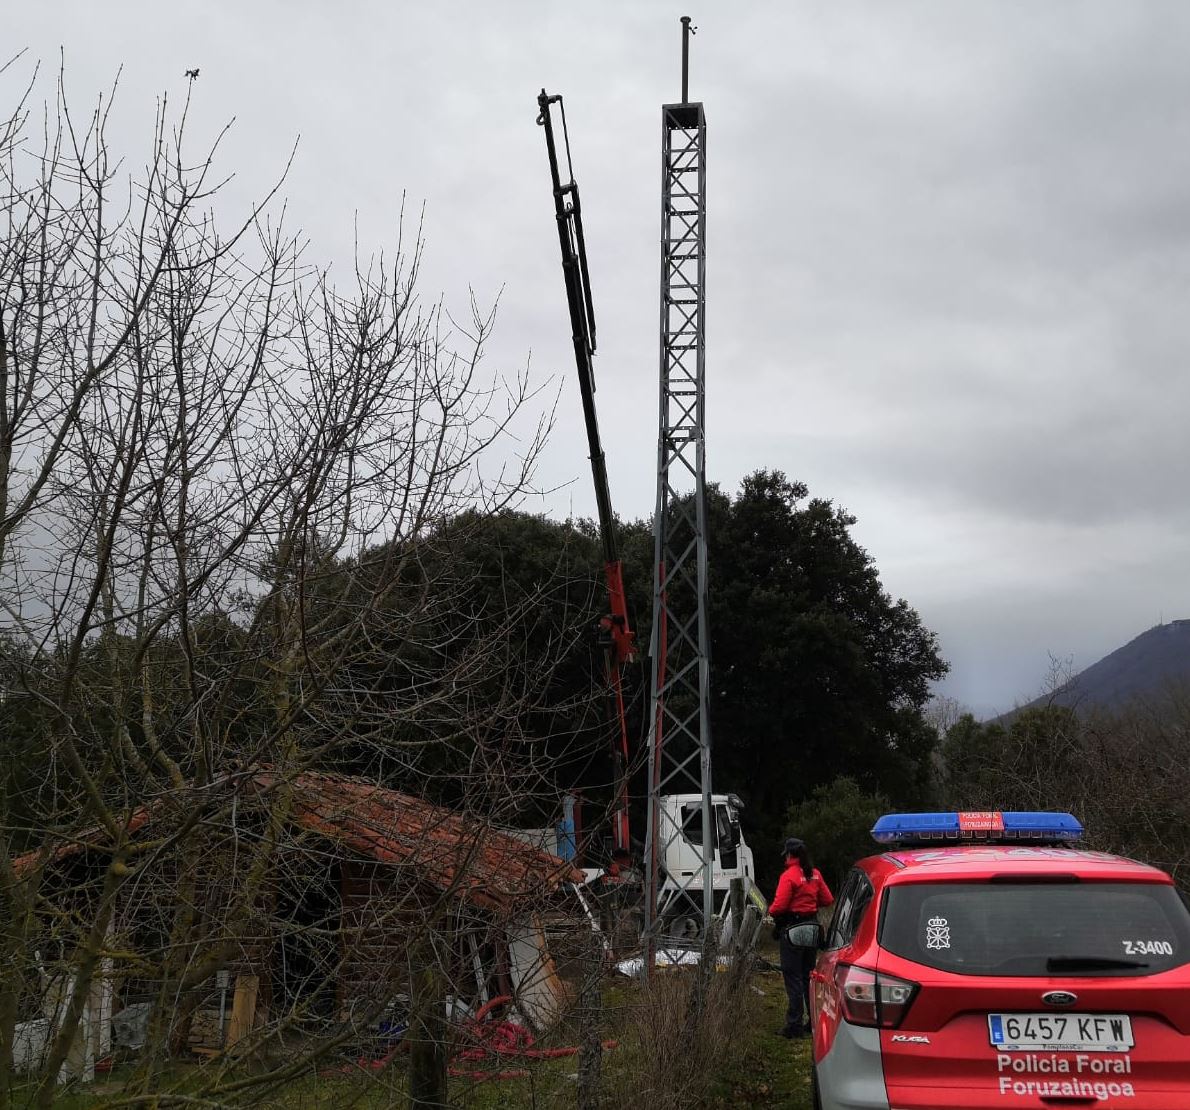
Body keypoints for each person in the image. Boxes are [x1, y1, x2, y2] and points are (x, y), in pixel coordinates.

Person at [767, 836, 834, 1038]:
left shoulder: (789, 876)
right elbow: (828, 899)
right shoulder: (815, 874)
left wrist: (771, 911)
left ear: (789, 854)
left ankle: (793, 1025)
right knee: (808, 977)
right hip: (812, 929)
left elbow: (778, 907)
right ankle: (813, 1021)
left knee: (793, 977)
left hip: (794, 930)